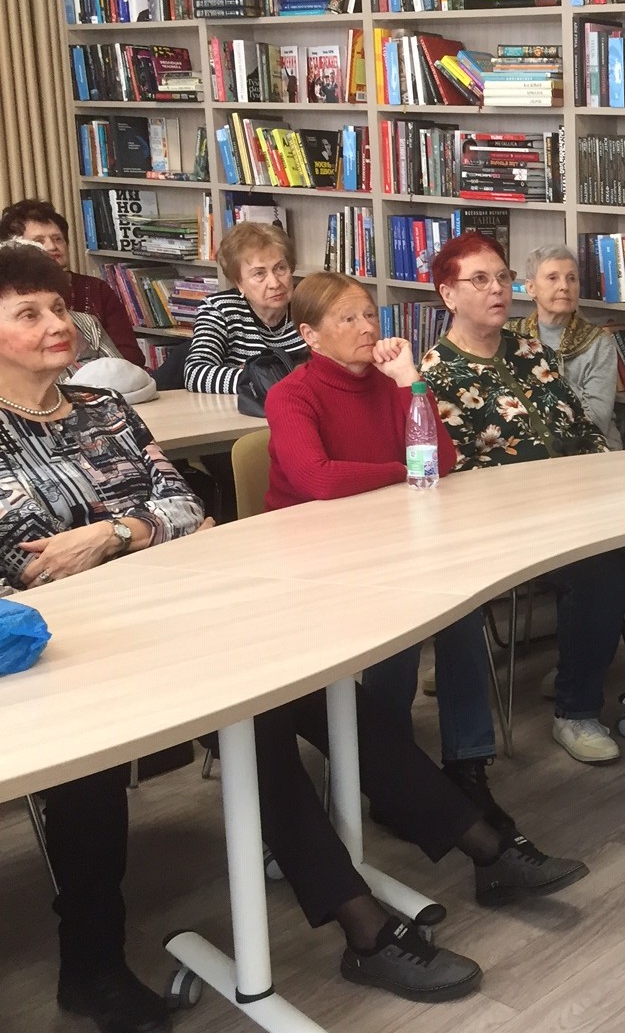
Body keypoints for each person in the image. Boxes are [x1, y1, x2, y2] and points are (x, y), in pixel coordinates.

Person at [0, 245, 579, 1032]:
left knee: (303, 695)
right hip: (61, 651)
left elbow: (183, 504)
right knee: (185, 747)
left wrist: (111, 532)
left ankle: (473, 850)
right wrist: (140, 527)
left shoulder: (102, 408)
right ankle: (95, 965)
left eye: (56, 307)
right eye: (28, 314)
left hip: (178, 611)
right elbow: (28, 558)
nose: (56, 323)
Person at [418, 232, 625, 766]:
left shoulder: (530, 352)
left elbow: (584, 428)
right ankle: (575, 710)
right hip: (513, 521)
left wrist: (602, 482)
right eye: (480, 280)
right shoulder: (437, 374)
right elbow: (461, 474)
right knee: (601, 574)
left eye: (502, 278)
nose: (497, 289)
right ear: (448, 294)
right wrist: (552, 497)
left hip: (585, 500)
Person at [263, 272, 519, 833]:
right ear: (310, 334)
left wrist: (409, 381)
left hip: (393, 544)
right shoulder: (292, 395)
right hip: (316, 560)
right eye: (347, 319)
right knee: (403, 618)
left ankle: (467, 767)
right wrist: (405, 470)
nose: (366, 328)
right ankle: (394, 777)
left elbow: (442, 461)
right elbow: (318, 478)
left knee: (460, 607)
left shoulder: (387, 383)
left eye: (370, 315)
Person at [0, 199, 143, 363]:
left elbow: (130, 357)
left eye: (57, 239)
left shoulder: (96, 292)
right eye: (39, 241)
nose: (52, 246)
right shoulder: (8, 297)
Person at [509, 244, 621, 447]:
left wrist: (547, 381)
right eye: (553, 278)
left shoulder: (598, 342)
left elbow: (596, 419)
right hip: (527, 445)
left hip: (590, 445)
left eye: (572, 278)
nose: (564, 286)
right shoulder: (512, 337)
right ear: (530, 287)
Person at [184, 221, 306, 393]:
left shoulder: (308, 305)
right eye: (259, 274)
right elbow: (195, 374)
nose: (274, 283)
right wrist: (267, 379)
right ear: (239, 282)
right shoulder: (220, 310)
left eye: (280, 268)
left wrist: (255, 375)